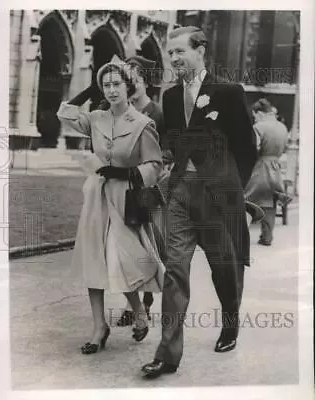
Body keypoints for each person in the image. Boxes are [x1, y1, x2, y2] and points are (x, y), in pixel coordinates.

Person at [141, 26, 257, 379]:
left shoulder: (228, 92)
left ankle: (230, 322)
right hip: (181, 194)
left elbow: (246, 148)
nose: (174, 59)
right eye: (170, 53)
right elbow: (174, 144)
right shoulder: (171, 97)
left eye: (180, 51)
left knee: (225, 269)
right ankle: (167, 355)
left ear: (200, 50)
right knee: (175, 272)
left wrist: (231, 188)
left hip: (218, 195)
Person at [56, 55, 164, 354]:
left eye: (117, 84)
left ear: (129, 87)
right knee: (94, 259)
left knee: (122, 260)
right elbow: (65, 114)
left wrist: (127, 172)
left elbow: (155, 165)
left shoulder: (144, 123)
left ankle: (139, 311)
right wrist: (91, 89)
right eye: (106, 85)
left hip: (124, 199)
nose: (112, 90)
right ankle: (98, 326)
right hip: (95, 198)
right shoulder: (95, 118)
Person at [115, 55, 173, 327]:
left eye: (133, 80)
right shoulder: (116, 109)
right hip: (120, 187)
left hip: (147, 188)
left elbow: (168, 150)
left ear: (145, 82)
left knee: (147, 246)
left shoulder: (157, 112)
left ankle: (143, 303)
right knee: (125, 246)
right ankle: (134, 304)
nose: (128, 85)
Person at [245, 98, 292, 246]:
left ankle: (240, 237)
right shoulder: (282, 127)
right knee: (270, 203)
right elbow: (285, 147)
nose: (254, 118)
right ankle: (267, 237)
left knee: (247, 202)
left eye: (254, 115)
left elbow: (253, 149)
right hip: (276, 169)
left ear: (259, 113)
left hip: (260, 168)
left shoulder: (258, 127)